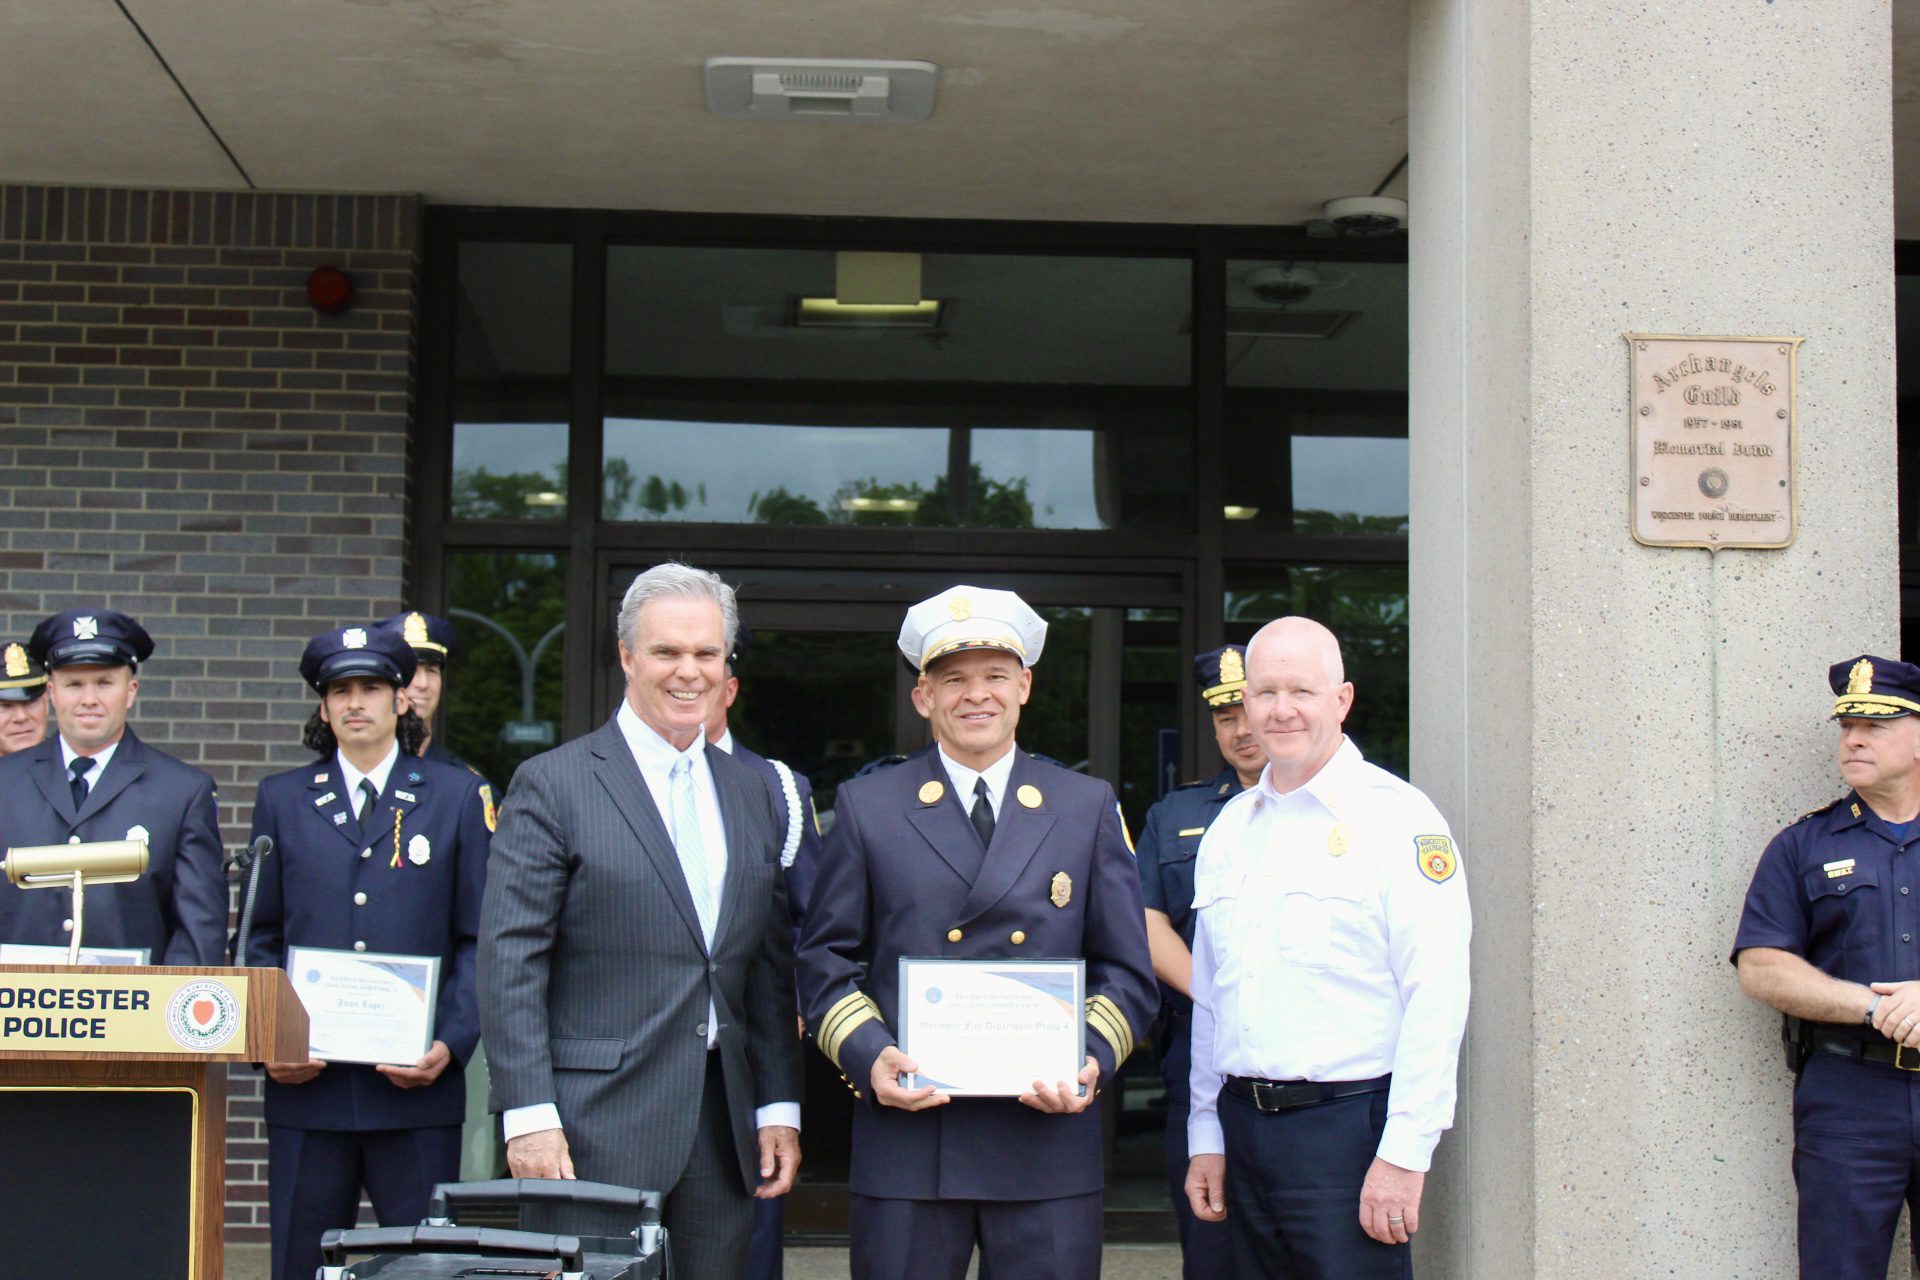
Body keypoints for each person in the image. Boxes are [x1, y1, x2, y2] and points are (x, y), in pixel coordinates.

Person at [796, 584, 1158, 1280]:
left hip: (1046, 1141)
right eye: (953, 680)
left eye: (995, 676)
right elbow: (825, 958)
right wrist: (871, 1057)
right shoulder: (869, 807)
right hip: (909, 1139)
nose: (976, 695)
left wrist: (1085, 1060)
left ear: (1024, 686)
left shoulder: (1086, 806)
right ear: (923, 697)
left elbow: (1128, 971)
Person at [479, 562, 802, 1280]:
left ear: (726, 665)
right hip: (590, 1129)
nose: (689, 672)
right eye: (667, 652)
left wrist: (779, 1102)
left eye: (707, 654)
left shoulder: (754, 793)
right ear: (627, 657)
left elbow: (766, 969)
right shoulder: (554, 783)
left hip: (722, 1132)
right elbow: (509, 961)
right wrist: (528, 1114)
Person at [1184, 616, 1470, 1279]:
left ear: (1341, 700)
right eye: (1265, 693)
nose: (1280, 711)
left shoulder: (1399, 820)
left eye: (1301, 692)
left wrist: (1404, 1154)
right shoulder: (1230, 829)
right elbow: (1212, 998)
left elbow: (1438, 995)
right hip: (1241, 1128)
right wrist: (1206, 1132)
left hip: (1346, 1138)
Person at [246, 623, 492, 1280]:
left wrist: (451, 1040)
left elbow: (479, 937)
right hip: (310, 1088)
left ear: (401, 700)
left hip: (415, 1087)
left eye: (372, 689)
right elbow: (259, 936)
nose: (357, 703)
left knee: (425, 1269)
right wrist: (270, 1040)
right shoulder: (282, 799)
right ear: (324, 707)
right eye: (341, 691)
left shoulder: (455, 797)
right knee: (300, 1263)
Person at [1733, 653, 1920, 1279]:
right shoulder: (1802, 845)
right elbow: (1762, 966)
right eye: (1846, 727)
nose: (1854, 740)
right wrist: (1876, 1009)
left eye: (1876, 726)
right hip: (1850, 1097)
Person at [1135, 643, 1265, 1279]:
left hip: (1317, 1062)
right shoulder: (1176, 813)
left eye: (1249, 710)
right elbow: (1147, 920)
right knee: (1209, 1236)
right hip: (1200, 1051)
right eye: (1224, 717)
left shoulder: (1348, 811)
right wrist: (1216, 998)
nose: (1241, 731)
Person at [0, 609, 225, 963]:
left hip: (133, 1011)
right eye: (74, 684)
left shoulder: (181, 792)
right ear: (51, 692)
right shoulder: (5, 782)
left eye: (105, 683)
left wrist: (161, 1013)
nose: (89, 699)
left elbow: (197, 934)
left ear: (130, 690)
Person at [707, 624, 825, 1280]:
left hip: (753, 1048)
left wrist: (801, 1005)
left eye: (711, 662)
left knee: (748, 1238)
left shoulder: (778, 786)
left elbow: (809, 918)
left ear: (732, 685)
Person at [377, 610, 488, 781]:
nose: (423, 683)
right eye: (411, 671)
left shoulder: (463, 783)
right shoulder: (355, 775)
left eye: (431, 670)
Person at [0, 641, 50, 755]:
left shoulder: (74, 769)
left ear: (46, 701)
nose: (21, 717)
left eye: (31, 703)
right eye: (5, 706)